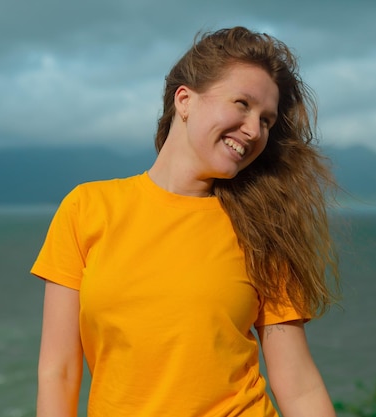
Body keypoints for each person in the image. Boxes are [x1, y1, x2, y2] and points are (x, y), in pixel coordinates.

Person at [31, 26, 340, 417]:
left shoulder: (263, 229)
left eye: (266, 120)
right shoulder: (87, 207)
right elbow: (58, 371)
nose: (253, 130)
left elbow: (298, 386)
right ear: (185, 100)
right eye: (242, 103)